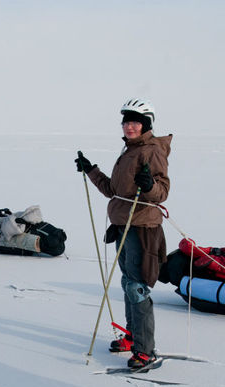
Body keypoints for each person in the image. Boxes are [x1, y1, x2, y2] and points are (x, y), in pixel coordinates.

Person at [76, 98, 170, 370]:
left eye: (135, 122)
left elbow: (162, 191)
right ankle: (132, 336)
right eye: (126, 121)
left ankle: (146, 351)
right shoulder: (130, 150)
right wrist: (91, 170)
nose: (129, 126)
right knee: (128, 281)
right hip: (122, 226)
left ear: (146, 125)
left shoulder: (151, 150)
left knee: (136, 287)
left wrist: (150, 185)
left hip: (141, 228)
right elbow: (113, 191)